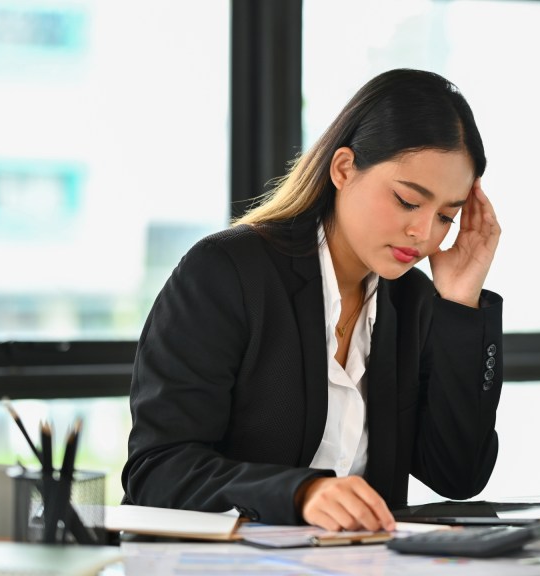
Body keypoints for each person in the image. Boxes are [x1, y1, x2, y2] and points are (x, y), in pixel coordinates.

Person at [121, 68, 503, 532]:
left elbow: (458, 475)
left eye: (446, 216)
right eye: (408, 201)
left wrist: (461, 305)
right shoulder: (226, 271)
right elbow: (158, 470)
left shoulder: (413, 302)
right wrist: (301, 493)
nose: (423, 233)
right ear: (343, 169)